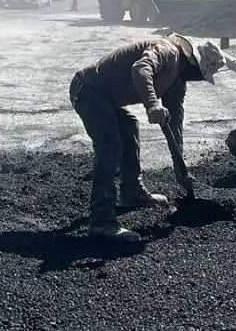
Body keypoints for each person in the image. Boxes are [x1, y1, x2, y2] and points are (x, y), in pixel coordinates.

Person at [69, 34, 225, 242]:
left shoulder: (178, 81)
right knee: (109, 147)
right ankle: (101, 222)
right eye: (201, 75)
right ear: (194, 64)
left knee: (129, 126)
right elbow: (141, 69)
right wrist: (152, 104)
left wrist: (180, 166)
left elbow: (174, 121)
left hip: (106, 98)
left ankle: (131, 192)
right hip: (89, 90)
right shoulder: (168, 51)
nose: (199, 79)